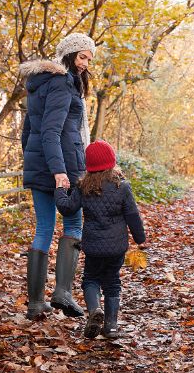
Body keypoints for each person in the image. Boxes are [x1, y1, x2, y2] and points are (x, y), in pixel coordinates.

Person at [19, 33, 95, 319]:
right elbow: (53, 132)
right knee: (74, 223)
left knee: (43, 229)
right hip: (62, 165)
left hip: (41, 163)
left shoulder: (38, 85)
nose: (85, 64)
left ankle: (36, 304)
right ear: (68, 54)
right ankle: (63, 292)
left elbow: (29, 132)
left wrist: (35, 162)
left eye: (89, 58)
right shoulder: (63, 84)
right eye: (81, 56)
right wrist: (59, 172)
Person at [54, 139, 147, 339]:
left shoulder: (83, 187)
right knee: (112, 282)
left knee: (91, 279)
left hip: (93, 246)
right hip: (116, 247)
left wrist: (60, 190)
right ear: (112, 162)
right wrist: (140, 239)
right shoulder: (122, 187)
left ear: (89, 165)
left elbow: (67, 208)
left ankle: (95, 309)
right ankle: (111, 326)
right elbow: (132, 215)